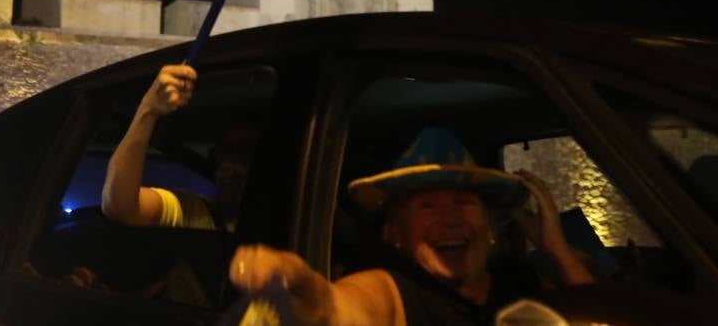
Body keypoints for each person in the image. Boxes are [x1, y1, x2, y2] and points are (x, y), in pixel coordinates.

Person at [229, 127, 595, 326]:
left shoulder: (519, 283)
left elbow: (602, 313)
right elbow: (338, 308)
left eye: (464, 203)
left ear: (489, 223)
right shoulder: (393, 292)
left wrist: (557, 250)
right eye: (428, 206)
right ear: (395, 234)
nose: (450, 219)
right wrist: (304, 290)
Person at [101, 64, 255, 231]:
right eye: (223, 153)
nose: (227, 166)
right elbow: (121, 208)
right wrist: (148, 111)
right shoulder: (197, 212)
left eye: (241, 154)